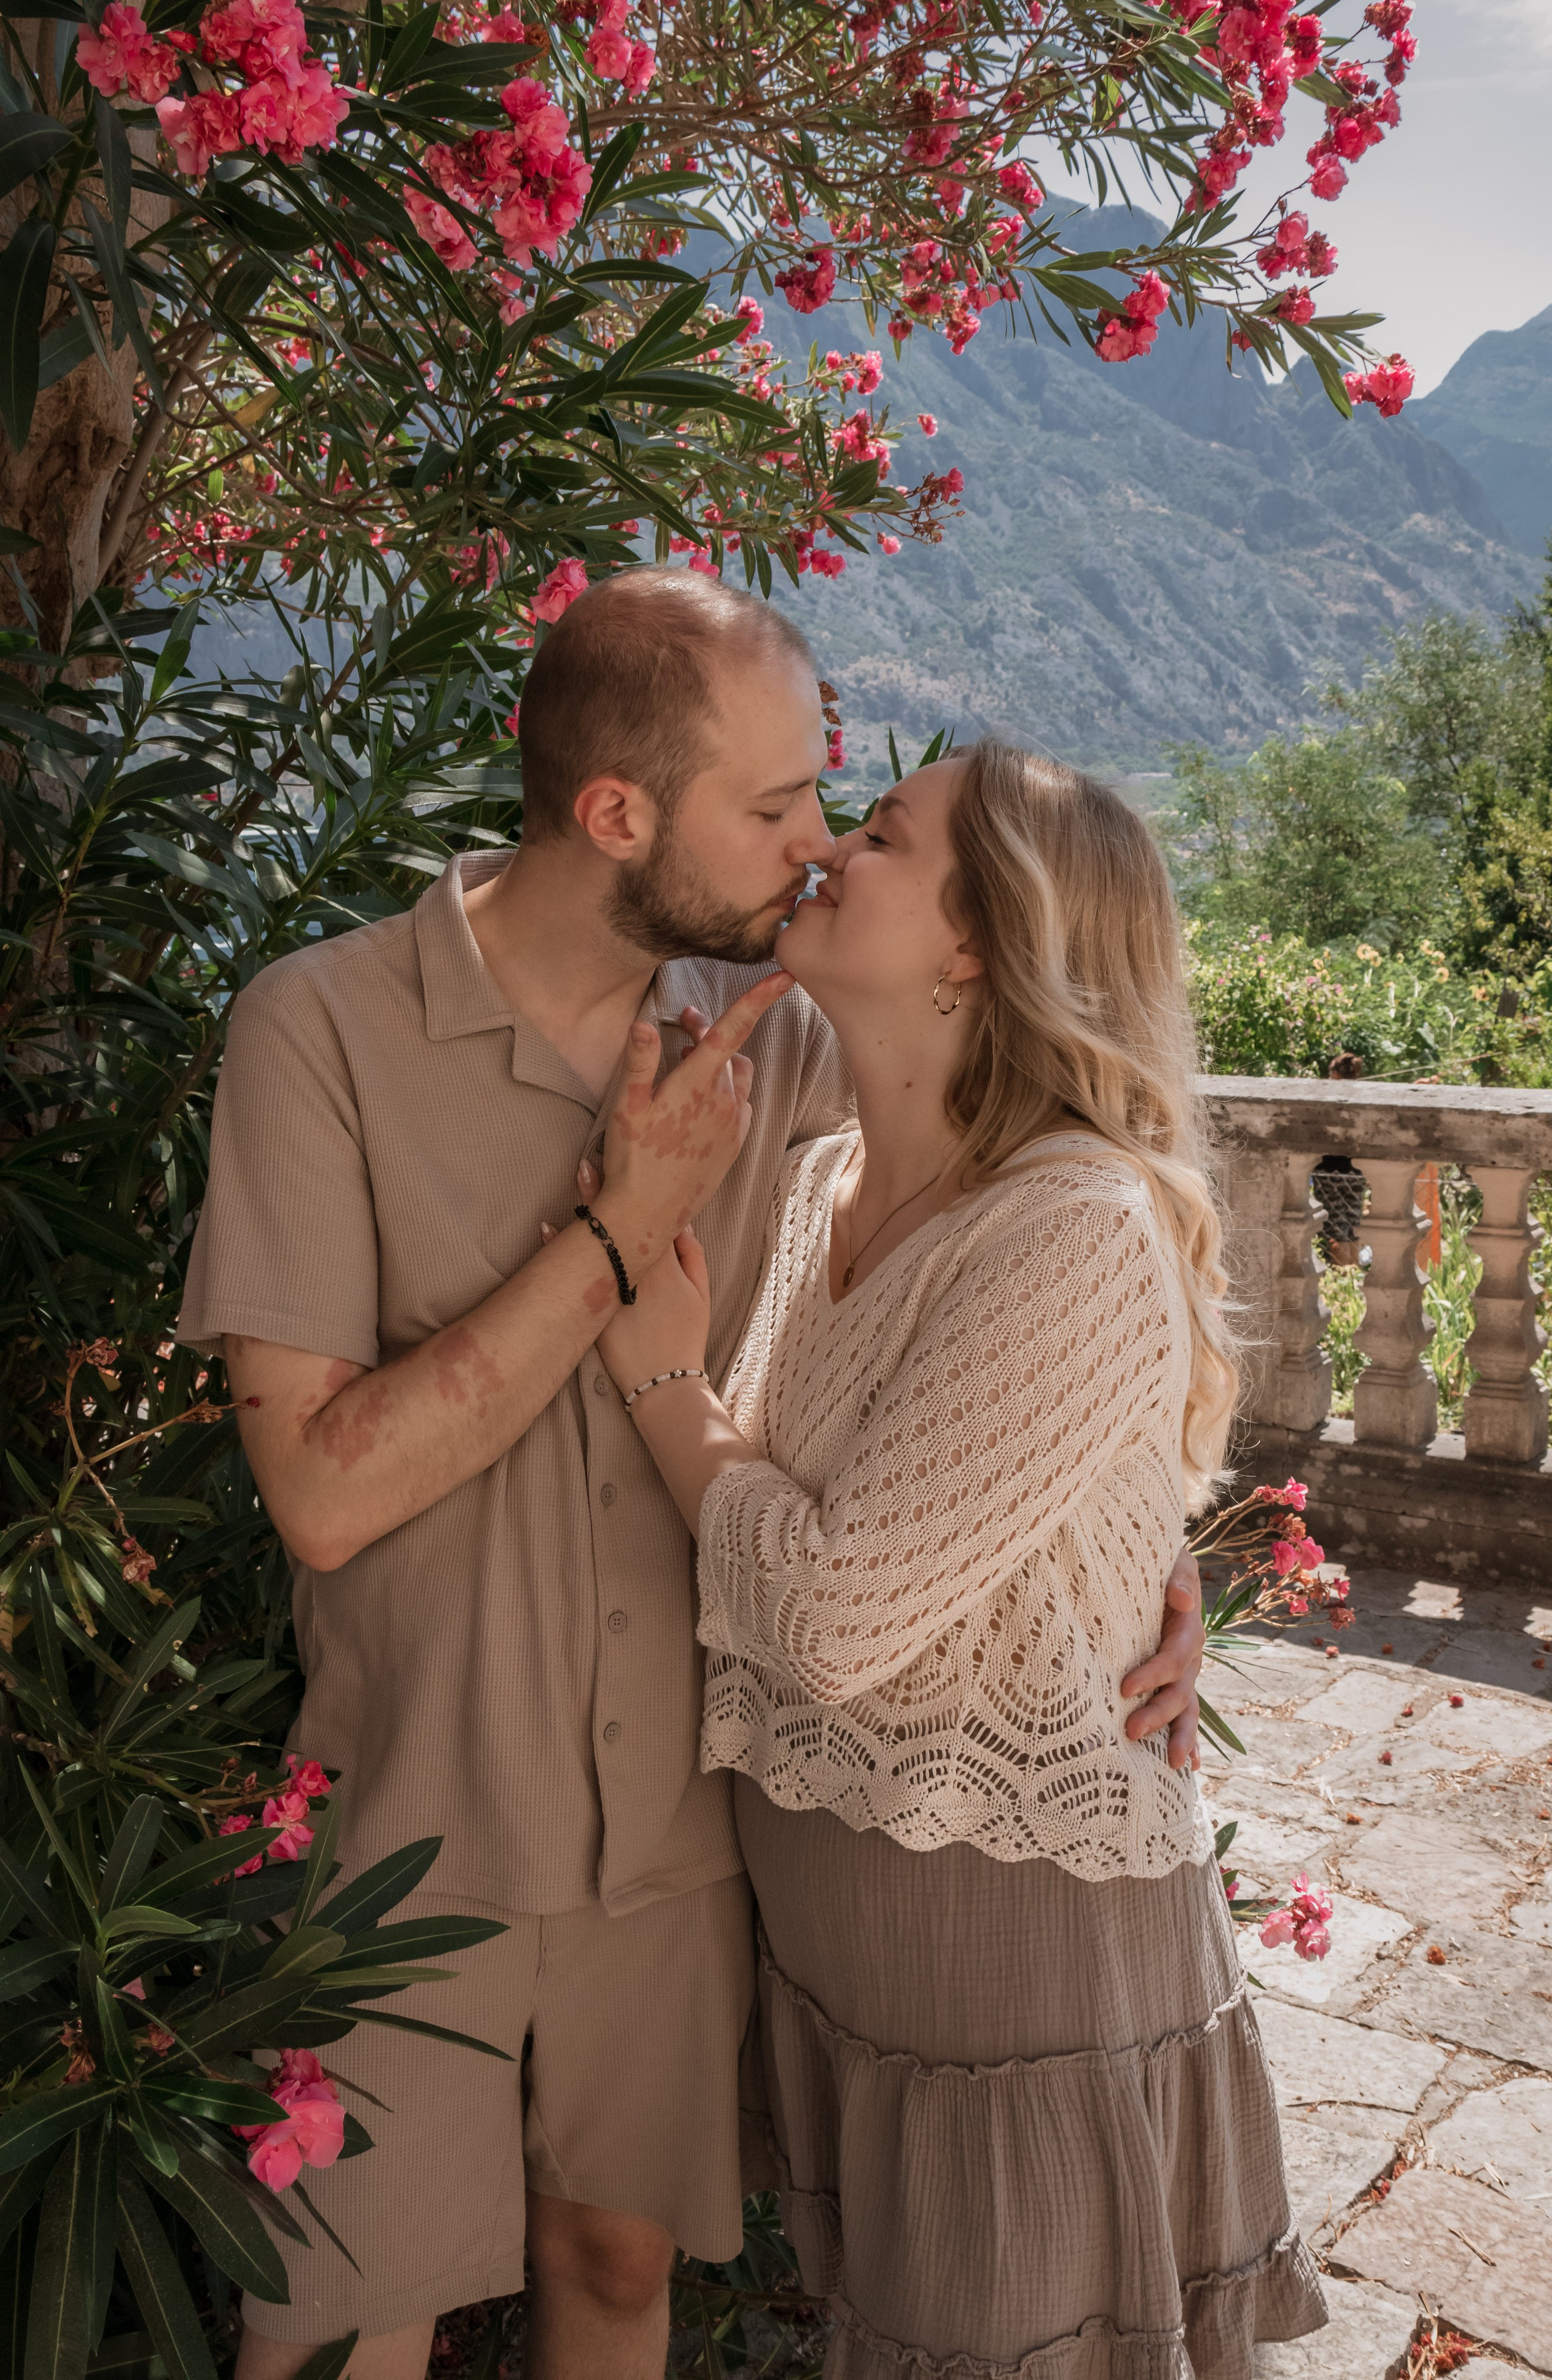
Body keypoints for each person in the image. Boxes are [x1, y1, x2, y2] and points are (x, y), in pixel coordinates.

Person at [176, 572, 1209, 2380]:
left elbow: (1021, 1262)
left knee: (617, 2260)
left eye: (833, 805)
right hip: (412, 1799)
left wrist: (1138, 1552)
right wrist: (612, 1237)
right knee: (344, 2315)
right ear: (617, 815)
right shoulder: (318, 1029)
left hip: (685, 1813)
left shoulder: (788, 1033)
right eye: (778, 803)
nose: (816, 845)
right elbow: (323, 1495)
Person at [595, 739, 1326, 2378]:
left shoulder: (1075, 1224)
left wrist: (664, 1386)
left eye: (879, 835)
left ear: (979, 944)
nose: (827, 851)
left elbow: (834, 1610)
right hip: (845, 1946)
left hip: (1013, 1958)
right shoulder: (824, 1185)